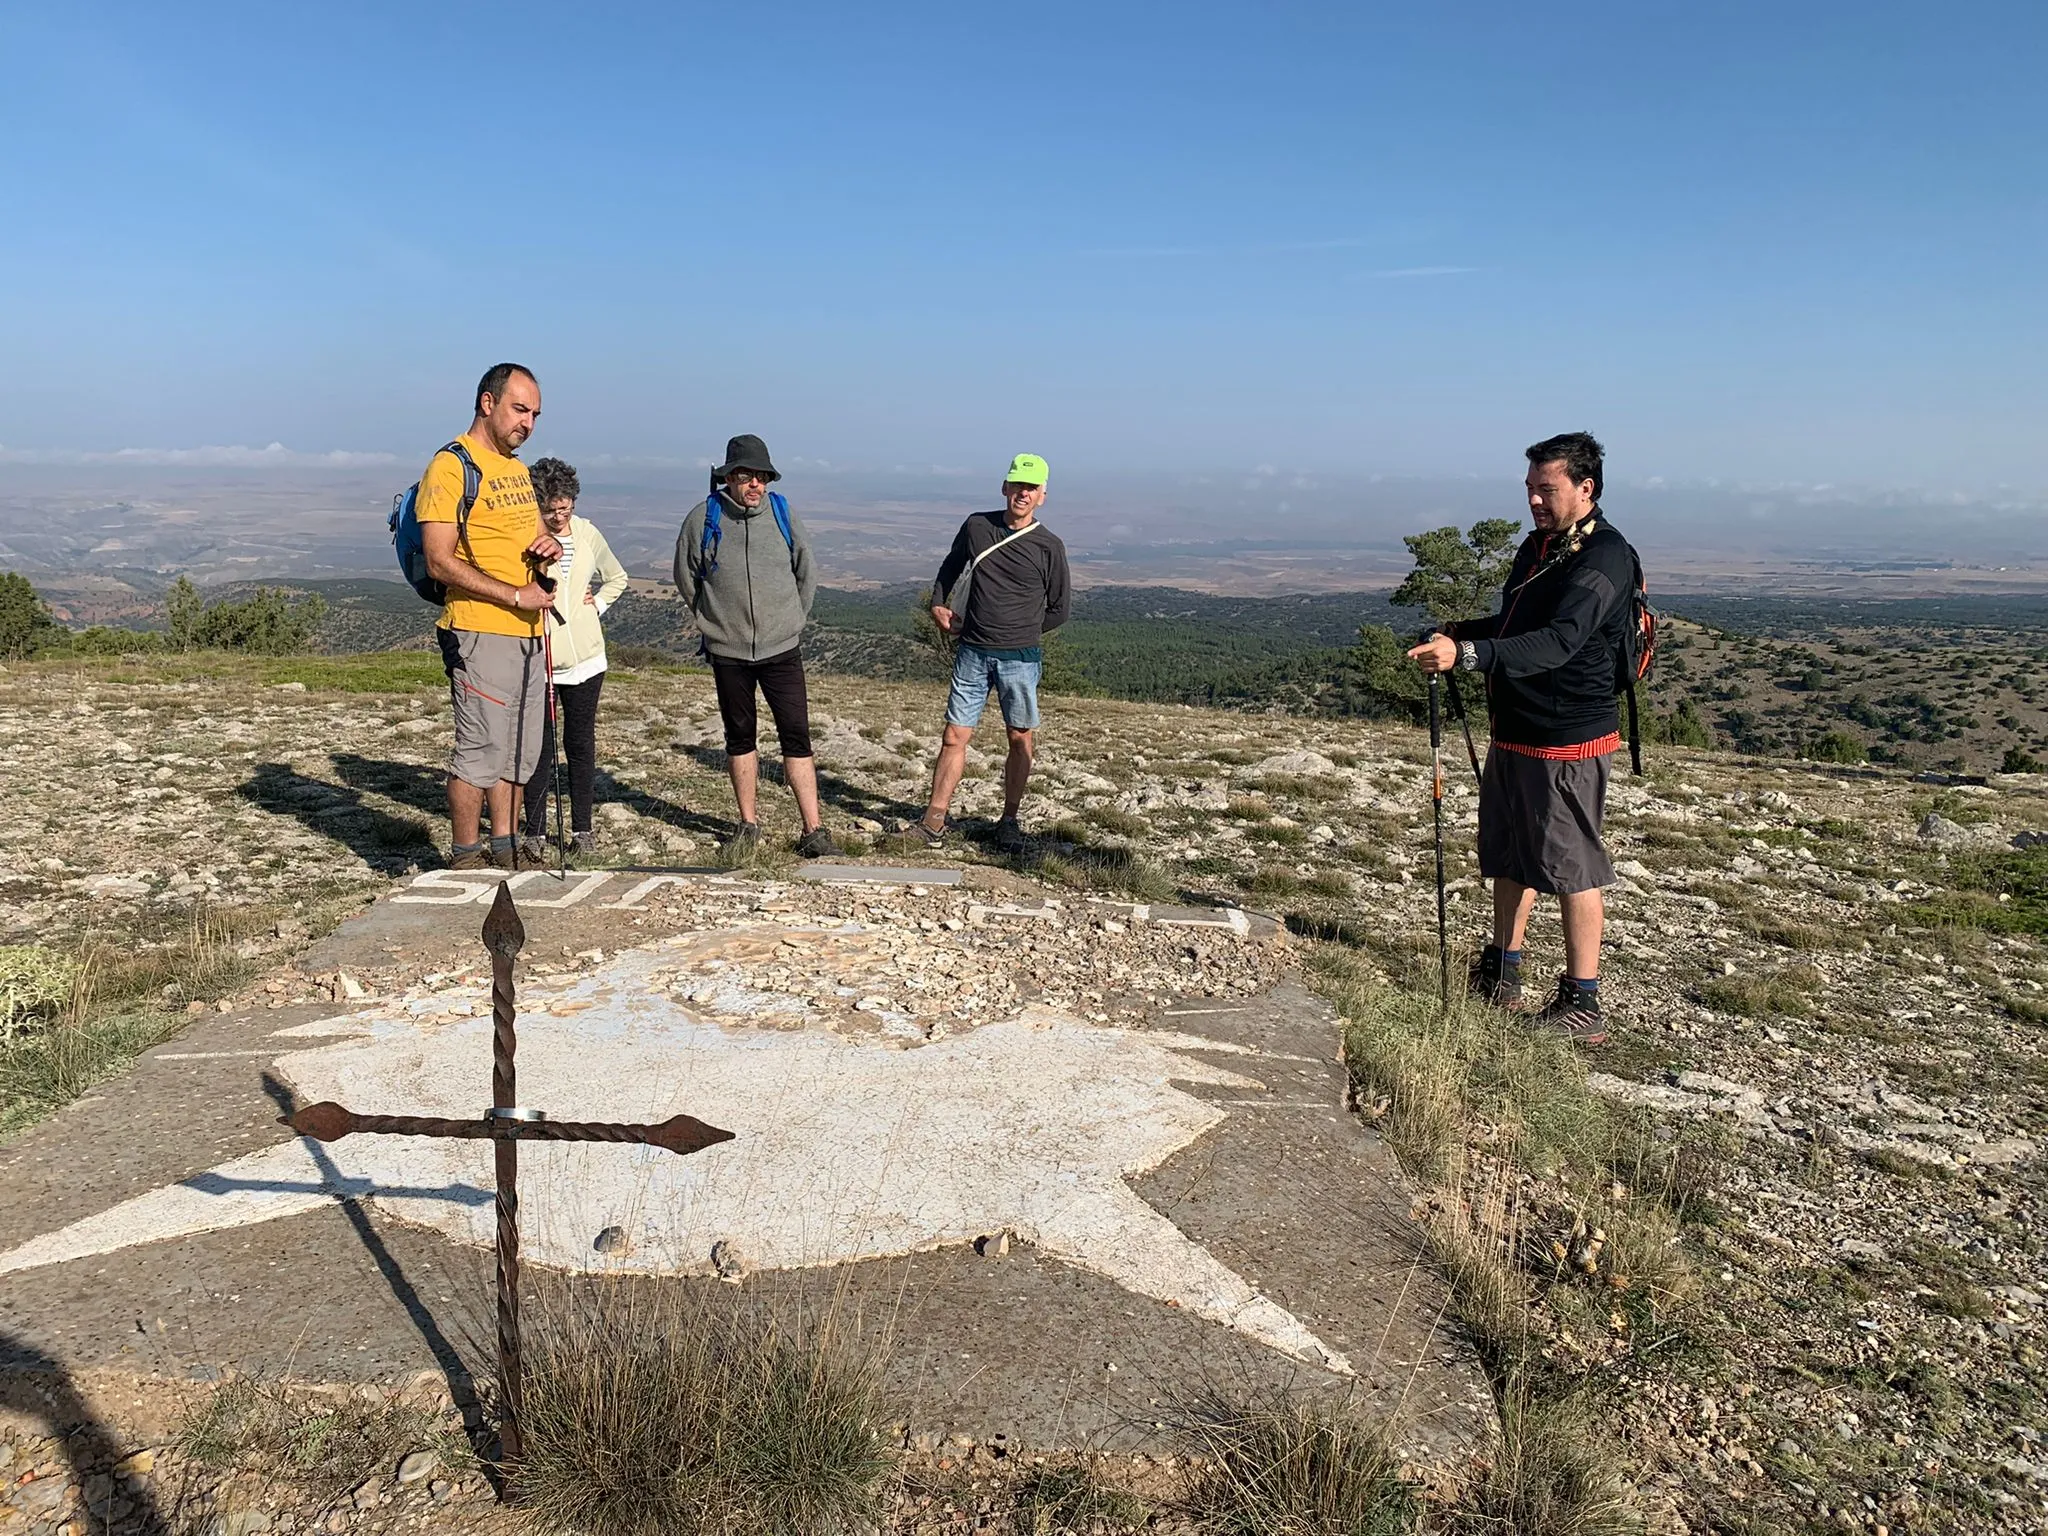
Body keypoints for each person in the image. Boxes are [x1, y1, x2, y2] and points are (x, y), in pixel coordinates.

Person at [1406, 431, 1637, 1045]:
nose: (1534, 501)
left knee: (1570, 865)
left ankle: (1584, 1002)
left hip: (1566, 738)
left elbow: (1561, 640)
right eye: (1530, 489)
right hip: (1516, 730)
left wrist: (1470, 654)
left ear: (1585, 488)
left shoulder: (1605, 557)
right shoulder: (1542, 548)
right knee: (1509, 855)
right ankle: (1504, 974)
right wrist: (1459, 631)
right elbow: (1515, 623)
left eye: (1547, 489)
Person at [418, 363, 559, 871]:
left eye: (536, 414)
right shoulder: (451, 466)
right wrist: (514, 595)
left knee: (519, 751)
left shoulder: (517, 470)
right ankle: (464, 856)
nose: (529, 423)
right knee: (480, 749)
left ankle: (506, 846)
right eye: (520, 409)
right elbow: (439, 559)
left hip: (527, 631)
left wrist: (544, 551)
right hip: (478, 628)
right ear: (487, 402)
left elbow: (531, 541)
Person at [673, 434, 839, 857]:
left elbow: (807, 570)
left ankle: (814, 830)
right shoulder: (702, 519)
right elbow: (685, 575)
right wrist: (711, 620)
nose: (754, 485)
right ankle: (748, 825)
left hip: (782, 648)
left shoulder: (782, 514)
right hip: (728, 651)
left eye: (760, 477)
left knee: (796, 737)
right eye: (745, 476)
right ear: (728, 477)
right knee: (740, 738)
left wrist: (794, 619)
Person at [904, 453, 1071, 854]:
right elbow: (951, 564)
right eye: (1017, 485)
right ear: (1004, 487)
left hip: (1020, 657)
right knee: (954, 735)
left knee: (1019, 738)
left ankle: (1009, 821)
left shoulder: (1049, 546)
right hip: (973, 651)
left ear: (1042, 496)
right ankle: (934, 820)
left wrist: (1022, 631)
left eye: (1030, 488)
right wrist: (938, 603)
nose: (1022, 494)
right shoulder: (977, 526)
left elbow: (1060, 609)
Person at [518, 457, 629, 863]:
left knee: (580, 744)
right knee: (540, 748)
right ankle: (535, 833)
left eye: (566, 508)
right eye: (552, 510)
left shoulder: (587, 534)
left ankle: (582, 829)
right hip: (539, 658)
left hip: (586, 662)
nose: (561, 517)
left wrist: (595, 605)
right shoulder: (522, 536)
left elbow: (617, 577)